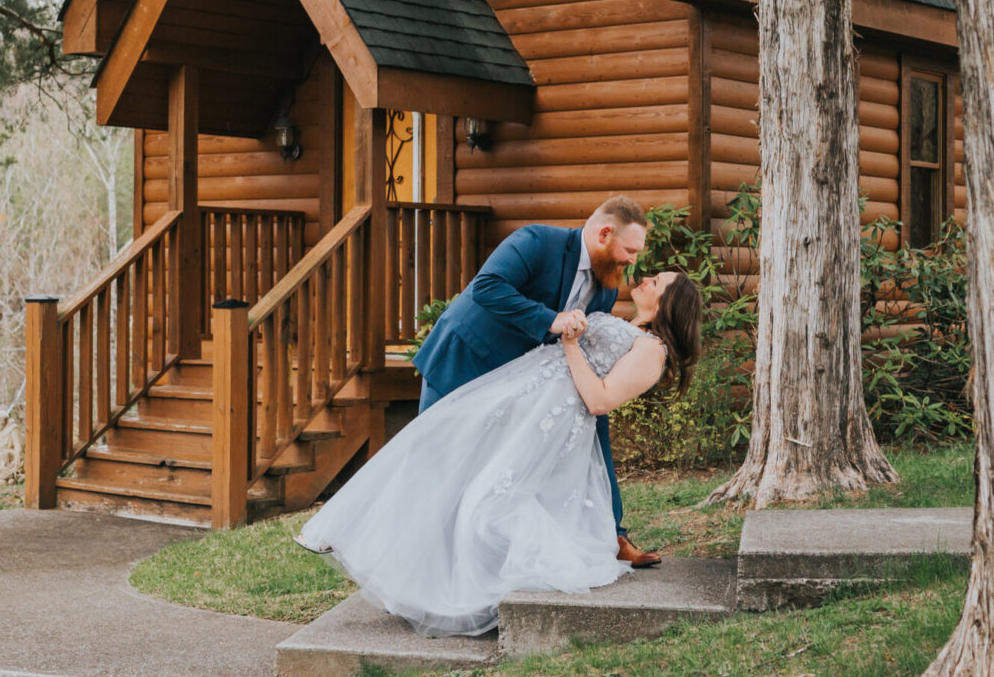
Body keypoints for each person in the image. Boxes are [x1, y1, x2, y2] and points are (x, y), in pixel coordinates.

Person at [296, 269, 701, 637]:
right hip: (518, 399)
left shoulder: (653, 351)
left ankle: (434, 591)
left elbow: (600, 400)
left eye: (657, 283)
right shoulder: (626, 323)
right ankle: (377, 556)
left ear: (670, 304)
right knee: (438, 456)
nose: (645, 279)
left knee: (486, 503)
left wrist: (572, 343)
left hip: (548, 422)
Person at [409, 196, 663, 567]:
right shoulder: (537, 241)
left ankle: (613, 532)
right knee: (431, 463)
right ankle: (399, 560)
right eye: (630, 250)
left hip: (518, 384)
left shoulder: (606, 288)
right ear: (604, 234)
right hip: (464, 360)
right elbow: (488, 287)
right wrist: (551, 319)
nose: (633, 261)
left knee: (588, 428)